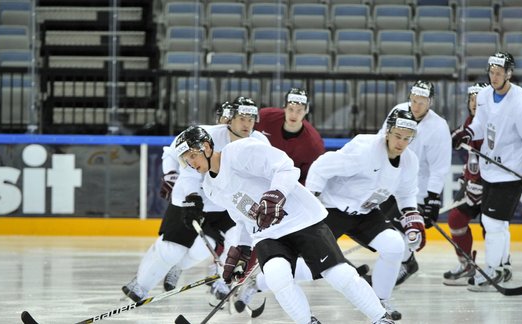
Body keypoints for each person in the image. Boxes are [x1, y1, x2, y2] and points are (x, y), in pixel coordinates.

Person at [177, 126, 395, 324]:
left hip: (301, 219)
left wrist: (275, 195)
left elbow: (286, 168)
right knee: (276, 275)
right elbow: (242, 219)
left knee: (337, 274)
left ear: (206, 147)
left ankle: (381, 318)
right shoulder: (210, 187)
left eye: (193, 156)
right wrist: (241, 251)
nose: (191, 163)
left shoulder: (239, 152)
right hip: (266, 234)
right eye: (187, 160)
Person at [122, 97, 269, 302]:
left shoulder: (259, 143)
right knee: (172, 249)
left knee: (204, 248)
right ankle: (141, 284)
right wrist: (184, 189)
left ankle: (202, 275)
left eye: (251, 119)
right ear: (230, 119)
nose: (247, 124)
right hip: (192, 198)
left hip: (224, 205)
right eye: (242, 118)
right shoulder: (204, 136)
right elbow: (182, 164)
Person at [302, 109, 424, 320]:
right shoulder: (364, 150)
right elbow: (321, 167)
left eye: (407, 138)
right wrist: (311, 200)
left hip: (366, 212)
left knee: (395, 245)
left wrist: (413, 221)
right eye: (397, 135)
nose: (401, 142)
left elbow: (406, 195)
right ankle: (257, 284)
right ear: (388, 131)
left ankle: (380, 301)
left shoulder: (410, 161)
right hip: (332, 209)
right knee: (305, 267)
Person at [452, 52, 522, 292]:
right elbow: (480, 125)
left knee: (492, 222)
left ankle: (491, 271)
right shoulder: (484, 95)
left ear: (509, 74)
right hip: (489, 170)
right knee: (498, 224)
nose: (494, 77)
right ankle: (503, 267)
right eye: (491, 72)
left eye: (499, 73)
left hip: (511, 171)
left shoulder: (520, 102)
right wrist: (467, 134)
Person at [377, 80, 452, 285]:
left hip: (416, 190)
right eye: (413, 100)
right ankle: (404, 261)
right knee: (378, 226)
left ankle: (406, 262)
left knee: (401, 228)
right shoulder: (398, 111)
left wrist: (433, 198)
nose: (416, 105)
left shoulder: (438, 127)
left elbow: (439, 167)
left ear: (430, 102)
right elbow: (380, 140)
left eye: (421, 101)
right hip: (389, 182)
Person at [442, 82, 490, 286]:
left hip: (493, 187)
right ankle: (466, 264)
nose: (474, 103)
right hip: (472, 188)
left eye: (479, 100)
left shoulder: (494, 124)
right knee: (455, 220)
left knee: (492, 228)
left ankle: (498, 265)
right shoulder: (469, 123)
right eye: (472, 99)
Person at [255, 88, 325, 185]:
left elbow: (310, 178)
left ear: (306, 111)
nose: (294, 115)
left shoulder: (314, 144)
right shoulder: (264, 117)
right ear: (284, 107)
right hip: (256, 176)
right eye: (291, 109)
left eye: (299, 110)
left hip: (286, 187)